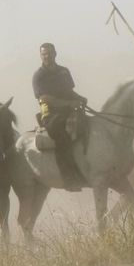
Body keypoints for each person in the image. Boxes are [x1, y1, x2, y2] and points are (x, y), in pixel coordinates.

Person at [32, 43, 89, 190]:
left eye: (49, 53)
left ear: (55, 53)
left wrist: (81, 98)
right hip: (51, 115)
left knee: (89, 127)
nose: (47, 56)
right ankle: (69, 178)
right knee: (63, 137)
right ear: (40, 55)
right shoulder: (39, 75)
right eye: (44, 54)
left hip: (69, 112)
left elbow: (70, 91)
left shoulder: (64, 71)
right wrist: (69, 103)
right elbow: (44, 98)